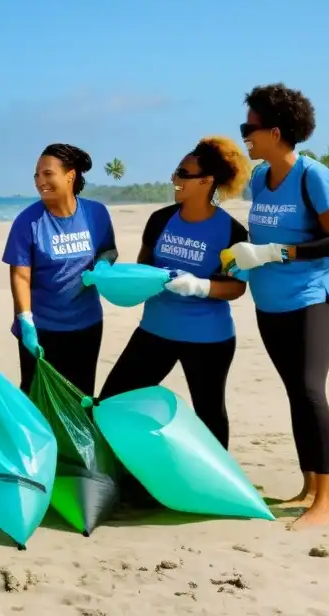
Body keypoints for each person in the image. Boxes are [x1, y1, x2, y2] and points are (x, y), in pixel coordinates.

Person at [223, 82, 329, 530]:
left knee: (310, 389)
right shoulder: (260, 178)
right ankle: (309, 485)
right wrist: (244, 261)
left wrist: (278, 253)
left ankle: (327, 503)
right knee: (296, 392)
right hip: (270, 301)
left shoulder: (312, 175)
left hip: (314, 298)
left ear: (275, 132)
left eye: (250, 127)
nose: (246, 136)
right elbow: (260, 236)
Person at [99, 136, 252, 448]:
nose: (174, 178)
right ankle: (121, 473)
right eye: (176, 172)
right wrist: (111, 278)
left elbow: (237, 287)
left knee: (209, 413)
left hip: (209, 339)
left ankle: (215, 486)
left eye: (183, 173)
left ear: (206, 181)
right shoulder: (160, 220)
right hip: (155, 331)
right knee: (111, 402)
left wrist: (198, 285)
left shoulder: (232, 232)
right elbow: (144, 270)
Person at [1, 144, 117, 397]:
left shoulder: (96, 214)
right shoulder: (27, 221)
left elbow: (108, 250)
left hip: (87, 325)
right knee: (38, 399)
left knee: (81, 396)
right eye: (36, 175)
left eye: (47, 174)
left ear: (70, 175)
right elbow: (20, 275)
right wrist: (26, 322)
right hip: (42, 328)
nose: (40, 181)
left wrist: (104, 265)